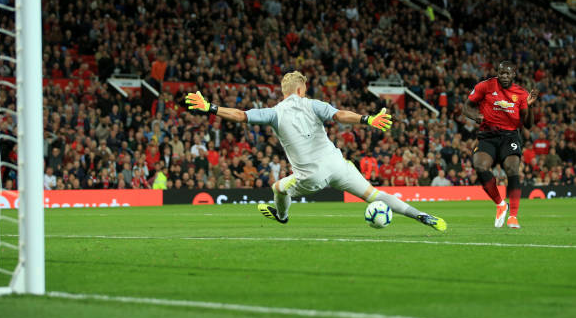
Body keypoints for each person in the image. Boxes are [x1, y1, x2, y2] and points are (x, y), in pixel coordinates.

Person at [185, 71, 446, 231]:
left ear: (285, 92)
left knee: (278, 188)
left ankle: (283, 216)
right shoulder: (314, 105)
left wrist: (211, 108)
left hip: (310, 177)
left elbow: (241, 115)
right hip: (338, 166)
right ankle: (420, 215)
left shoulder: (274, 113)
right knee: (374, 194)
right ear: (301, 89)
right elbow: (341, 115)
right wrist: (367, 120)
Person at [463, 61, 538, 229]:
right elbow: (466, 107)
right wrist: (475, 116)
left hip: (509, 136)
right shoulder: (485, 86)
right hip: (487, 136)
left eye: (508, 74)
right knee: (480, 166)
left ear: (513, 75)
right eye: (501, 73)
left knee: (512, 168)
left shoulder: (521, 93)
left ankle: (513, 216)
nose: (504, 76)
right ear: (498, 72)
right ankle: (500, 204)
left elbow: (528, 125)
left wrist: (530, 107)